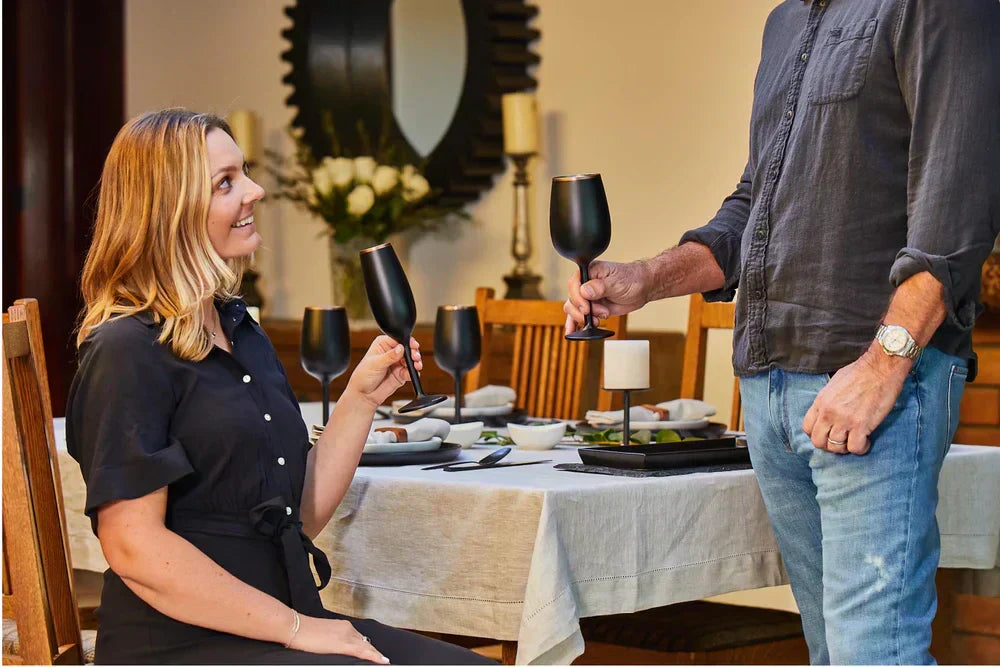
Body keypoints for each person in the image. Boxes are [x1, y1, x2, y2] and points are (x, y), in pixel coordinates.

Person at [563, 1, 999, 664]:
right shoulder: (787, 20)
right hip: (769, 386)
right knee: (832, 651)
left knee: (873, 653)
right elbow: (753, 205)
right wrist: (645, 279)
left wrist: (883, 368)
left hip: (875, 388)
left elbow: (957, 203)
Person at [67, 108, 493, 665]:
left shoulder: (239, 330)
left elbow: (297, 516)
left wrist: (361, 399)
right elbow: (133, 547)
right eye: (226, 183)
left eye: (243, 173)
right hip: (181, 645)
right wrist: (297, 629)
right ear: (169, 214)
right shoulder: (126, 350)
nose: (255, 190)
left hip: (275, 621)